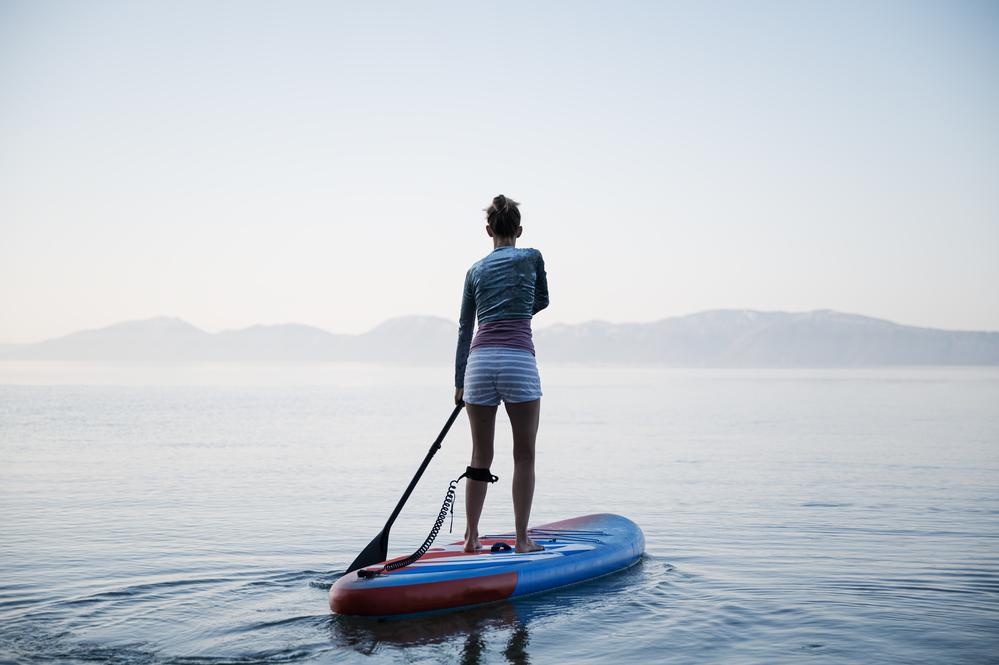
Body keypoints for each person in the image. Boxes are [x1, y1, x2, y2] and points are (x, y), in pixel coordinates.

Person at [454, 194, 549, 554]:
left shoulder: (474, 270)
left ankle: (470, 538)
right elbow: (541, 300)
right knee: (524, 455)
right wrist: (518, 304)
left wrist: (459, 382)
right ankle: (523, 539)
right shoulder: (532, 257)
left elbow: (465, 327)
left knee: (480, 455)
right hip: (518, 360)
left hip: (478, 364)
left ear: (488, 230)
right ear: (519, 230)